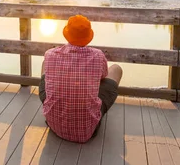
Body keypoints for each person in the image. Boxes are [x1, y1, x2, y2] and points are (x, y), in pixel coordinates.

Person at [39, 14, 123, 143]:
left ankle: (58, 109)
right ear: (88, 37)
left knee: (45, 64)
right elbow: (103, 76)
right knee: (116, 69)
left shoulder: (50, 54)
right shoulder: (98, 56)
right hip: (87, 131)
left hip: (54, 125)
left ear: (67, 34)